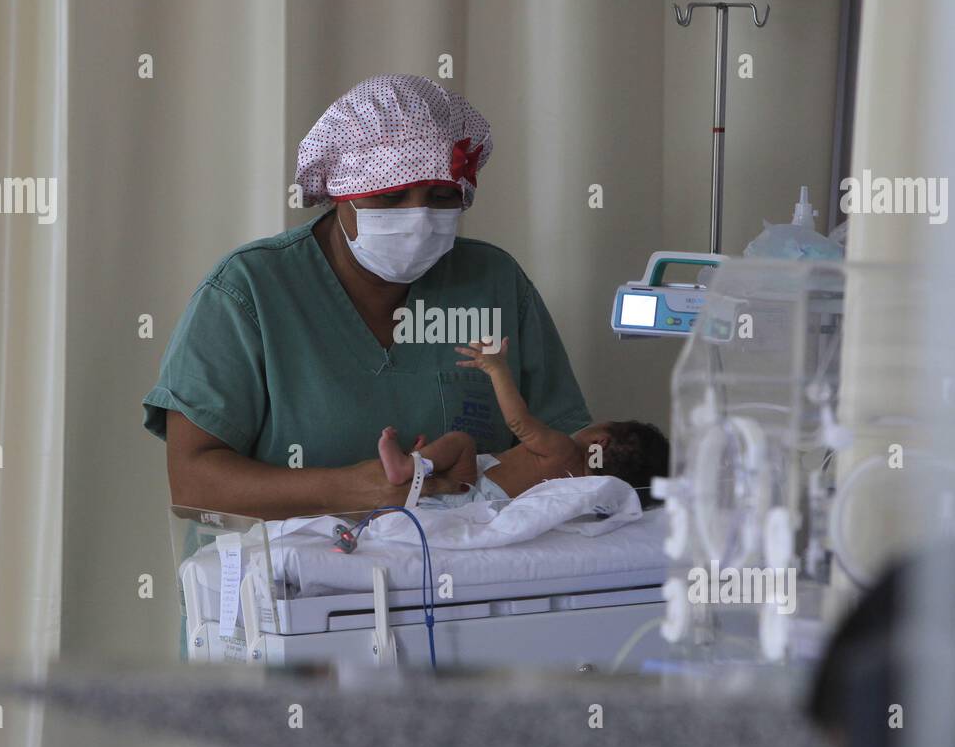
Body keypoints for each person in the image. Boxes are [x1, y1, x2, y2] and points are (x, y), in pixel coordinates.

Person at [144, 75, 591, 520]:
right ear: (340, 195)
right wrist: (347, 490)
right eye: (390, 197)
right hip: (294, 584)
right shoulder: (248, 293)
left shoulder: (493, 284)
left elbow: (571, 449)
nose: (417, 219)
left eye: (441, 197)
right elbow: (193, 484)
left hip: (469, 578)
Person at [378, 337, 669, 508]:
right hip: (478, 501)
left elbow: (518, 422)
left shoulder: (564, 449)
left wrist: (497, 370)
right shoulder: (581, 495)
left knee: (461, 442)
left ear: (600, 441)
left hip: (474, 490)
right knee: (456, 453)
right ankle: (422, 464)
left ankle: (407, 468)